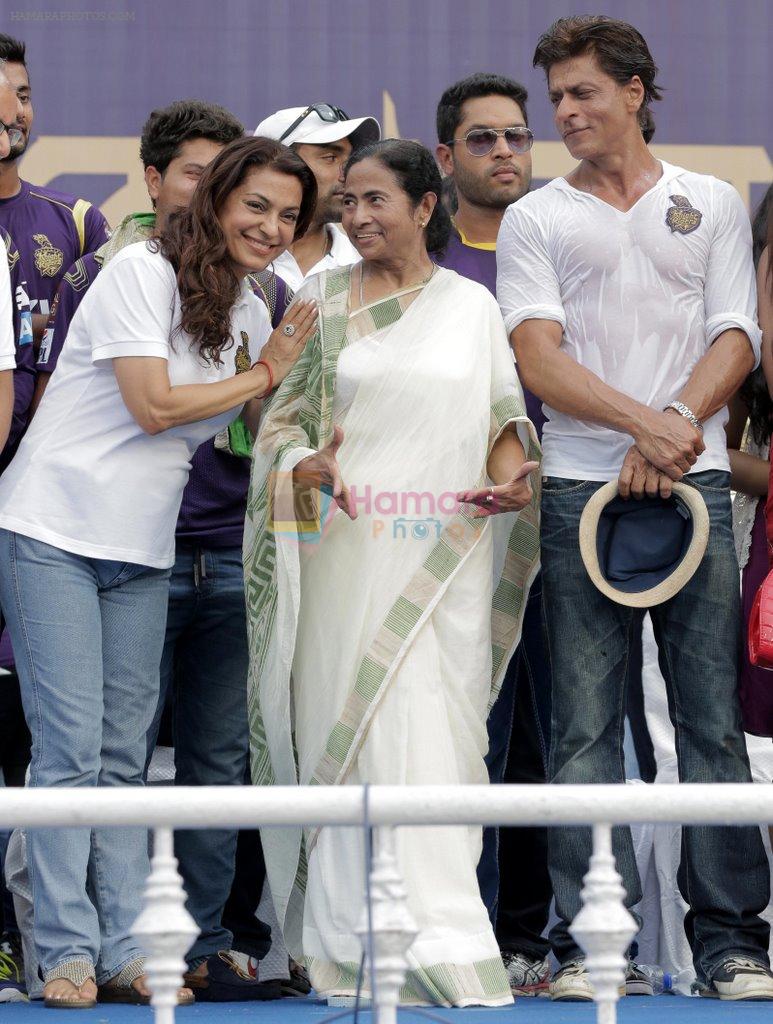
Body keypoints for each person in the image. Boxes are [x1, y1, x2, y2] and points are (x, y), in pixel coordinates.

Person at [0, 136, 318, 1010]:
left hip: (143, 550)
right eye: (255, 205)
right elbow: (152, 408)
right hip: (52, 529)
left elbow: (263, 429)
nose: (270, 226)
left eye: (289, 215)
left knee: (118, 760)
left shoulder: (255, 310)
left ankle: (123, 948)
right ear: (215, 199)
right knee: (67, 752)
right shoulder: (140, 270)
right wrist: (262, 375)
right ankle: (62, 952)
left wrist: (319, 458)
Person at [498, 14, 773, 1002]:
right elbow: (535, 358)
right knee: (578, 731)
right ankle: (590, 945)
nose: (564, 114)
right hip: (579, 490)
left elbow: (734, 334)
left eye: (581, 93)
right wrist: (643, 431)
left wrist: (672, 424)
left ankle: (731, 945)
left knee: (707, 726)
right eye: (555, 98)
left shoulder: (709, 202)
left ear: (635, 90)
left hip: (689, 484)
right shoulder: (535, 218)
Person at [243, 138, 541, 1007]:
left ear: (423, 206)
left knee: (434, 740)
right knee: (350, 729)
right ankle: (347, 950)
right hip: (339, 553)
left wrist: (510, 479)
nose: (361, 216)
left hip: (443, 556)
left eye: (377, 200)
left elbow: (499, 417)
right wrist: (300, 465)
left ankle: (442, 946)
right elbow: (273, 420)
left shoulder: (470, 308)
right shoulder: (317, 301)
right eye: (348, 204)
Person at [433, 72, 552, 997]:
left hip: (574, 520)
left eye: (515, 136)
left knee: (555, 741)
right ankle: (465, 933)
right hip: (458, 534)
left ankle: (529, 938)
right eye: (481, 140)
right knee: (470, 733)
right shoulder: (428, 271)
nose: (503, 152)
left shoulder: (561, 246)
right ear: (444, 159)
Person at [254, 104, 380, 289]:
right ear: (277, 164)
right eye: (330, 158)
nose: (347, 174)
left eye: (351, 160)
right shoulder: (231, 258)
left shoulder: (368, 263)